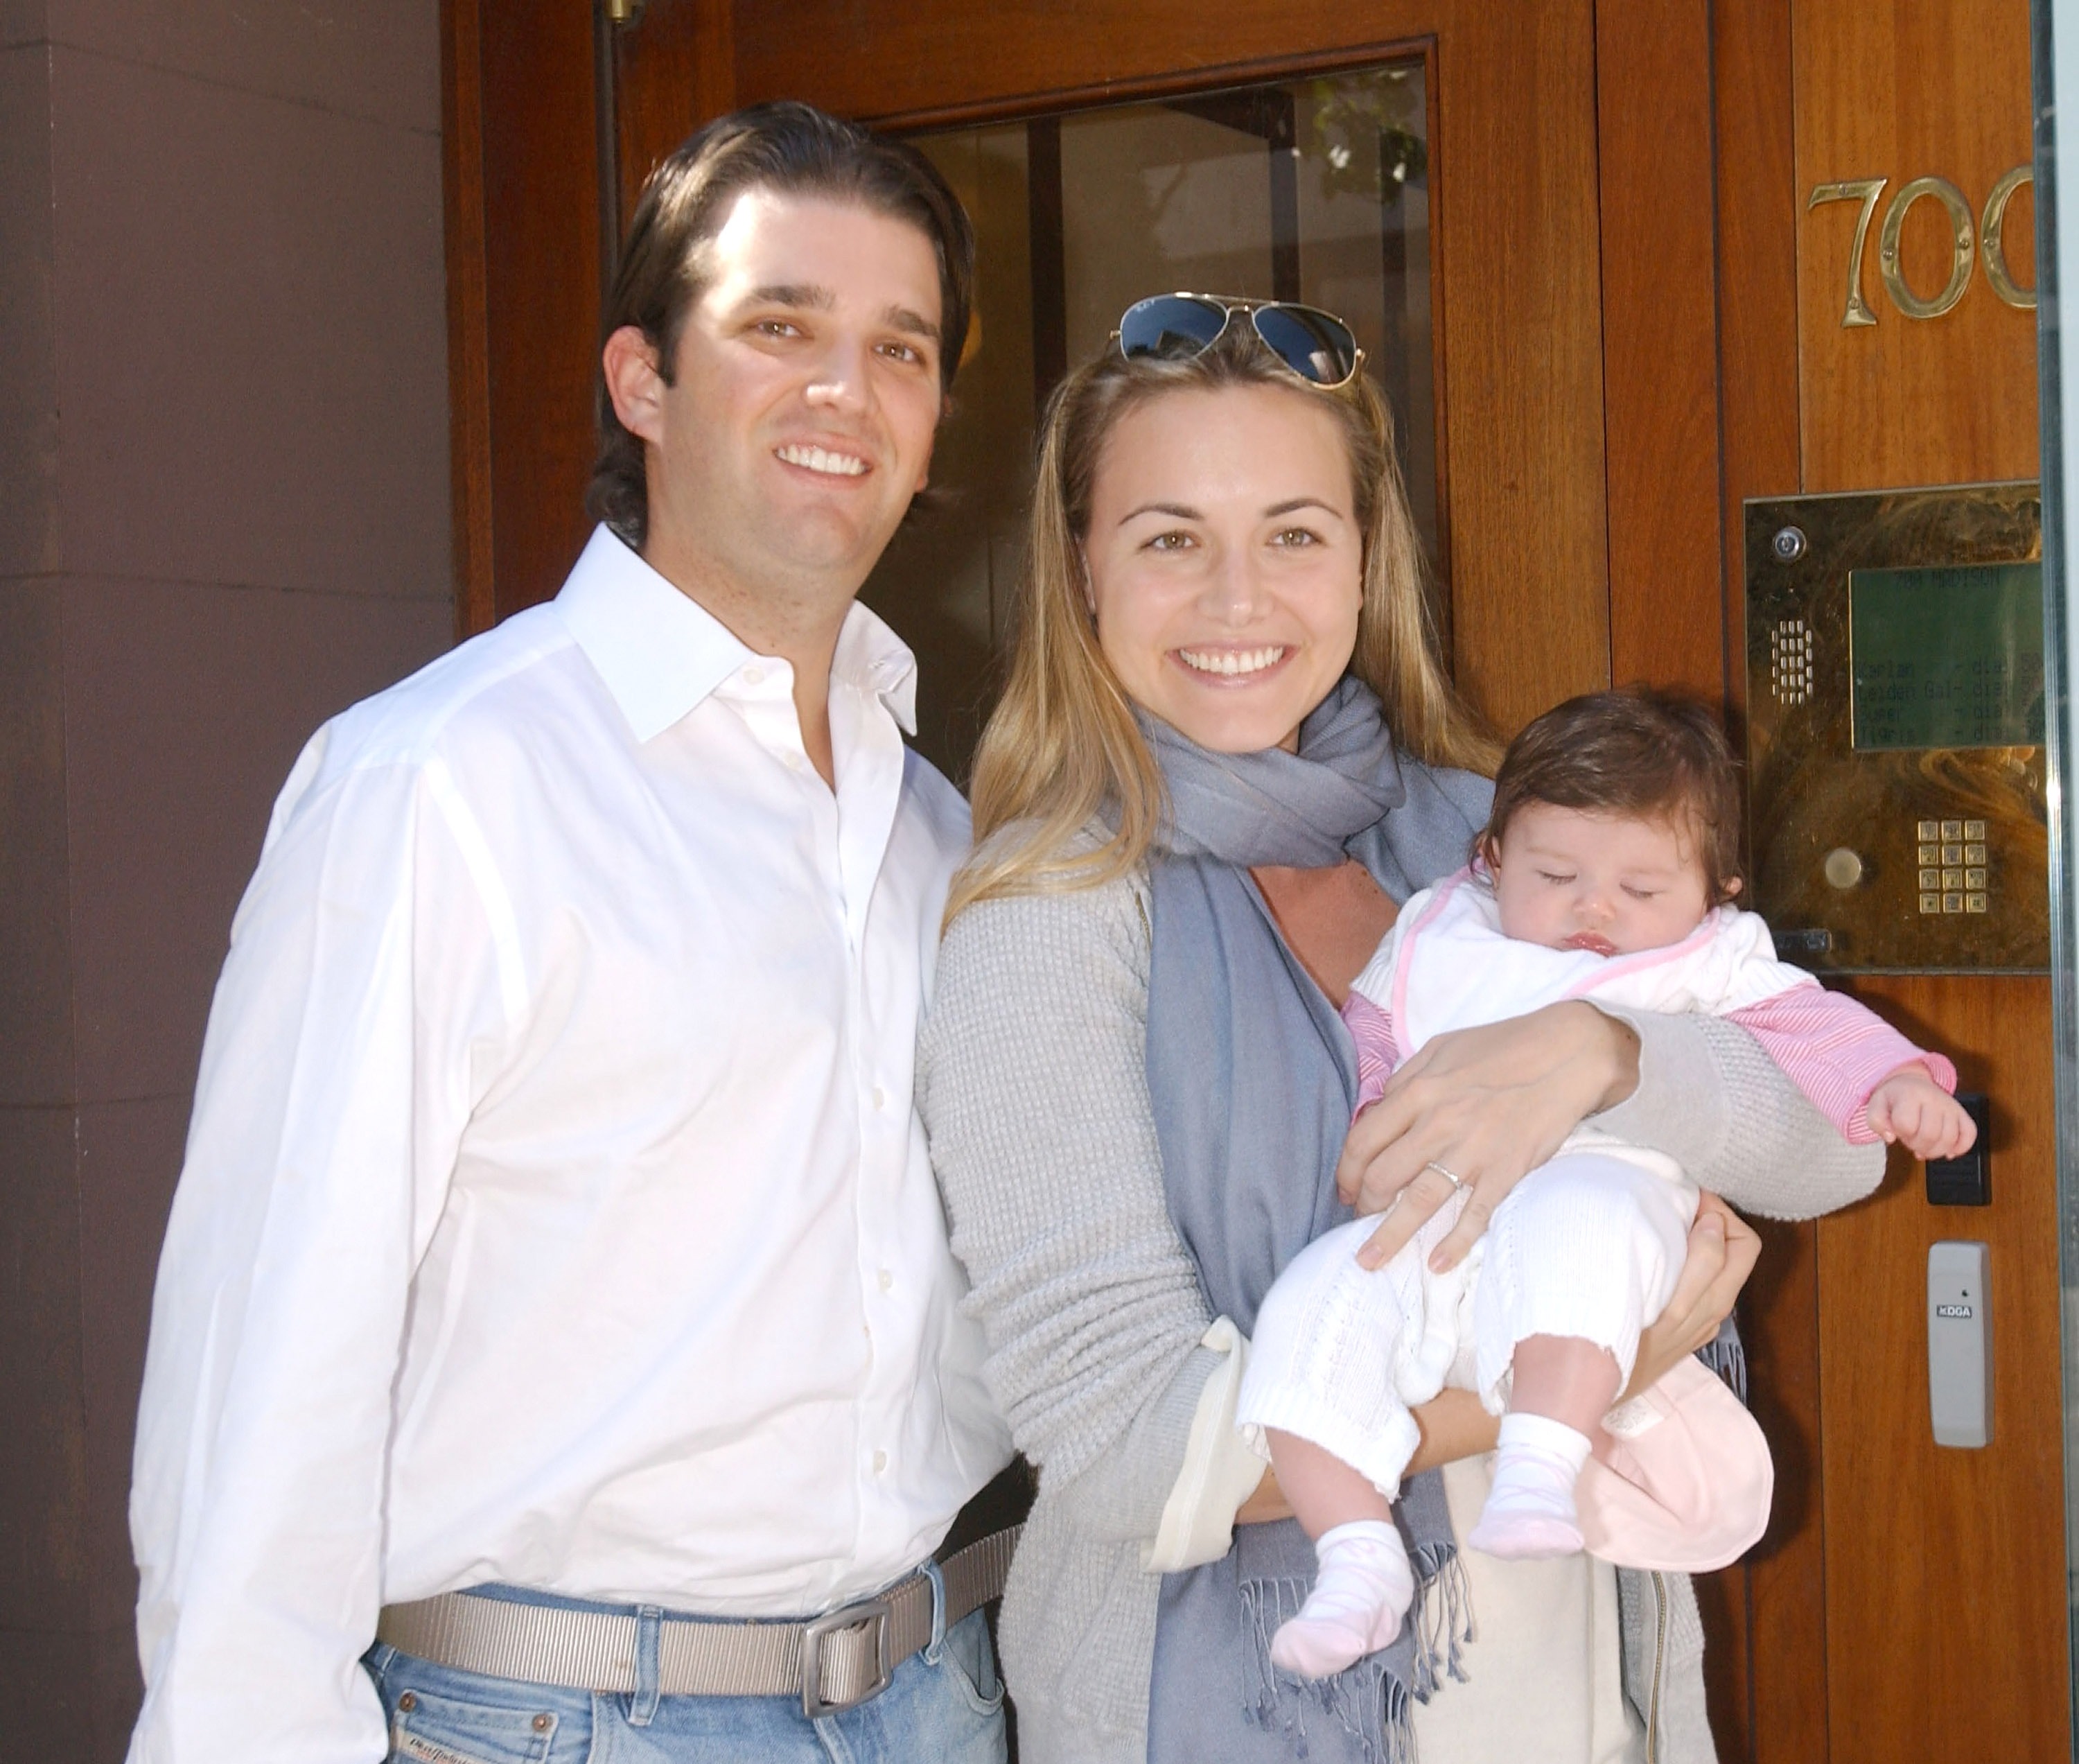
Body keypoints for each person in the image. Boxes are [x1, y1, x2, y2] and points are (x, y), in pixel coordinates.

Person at [126, 103, 1012, 1764]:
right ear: (643, 382)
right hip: (562, 1725)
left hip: (937, 1696)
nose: (847, 391)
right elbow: (266, 1376)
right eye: (779, 326)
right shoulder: (443, 784)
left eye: (900, 347)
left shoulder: (939, 831)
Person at [915, 293, 1887, 1764]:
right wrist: (1563, 1374)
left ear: (1367, 560)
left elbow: (1838, 1140)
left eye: (1296, 533)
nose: (1241, 599)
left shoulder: (1489, 841)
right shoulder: (1048, 913)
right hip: (1216, 1703)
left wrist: (1603, 1056)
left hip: (1565, 1692)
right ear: (1082, 569)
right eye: (1172, 537)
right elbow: (1127, 1451)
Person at [1242, 685, 1971, 1678]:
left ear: (1718, 890)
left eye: (1642, 890)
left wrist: (1894, 1082)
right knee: (1313, 1305)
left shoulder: (1709, 956)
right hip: (1437, 1219)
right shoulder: (1440, 923)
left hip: (1602, 1191)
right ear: (1489, 858)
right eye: (1555, 874)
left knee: (1579, 1225)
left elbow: (1815, 1032)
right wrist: (1379, 1110)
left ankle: (1542, 1466)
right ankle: (1356, 1557)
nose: (1595, 908)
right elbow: (1378, 1022)